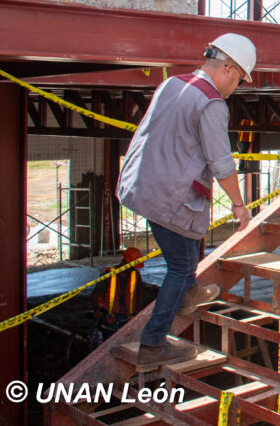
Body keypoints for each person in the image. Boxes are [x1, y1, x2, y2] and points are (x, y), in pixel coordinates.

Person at [117, 33, 255, 371]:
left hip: (142, 186)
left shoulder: (173, 84)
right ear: (227, 68)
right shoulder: (211, 103)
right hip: (170, 197)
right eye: (237, 79)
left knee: (186, 255)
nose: (234, 87)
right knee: (179, 267)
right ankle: (153, 344)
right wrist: (239, 204)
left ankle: (189, 293)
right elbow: (221, 163)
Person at [90, 247, 146, 347]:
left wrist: (139, 310)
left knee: (129, 344)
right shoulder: (109, 273)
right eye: (133, 266)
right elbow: (96, 294)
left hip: (129, 316)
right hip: (111, 316)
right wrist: (97, 311)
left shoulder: (135, 275)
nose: (134, 269)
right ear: (125, 262)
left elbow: (140, 293)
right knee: (110, 345)